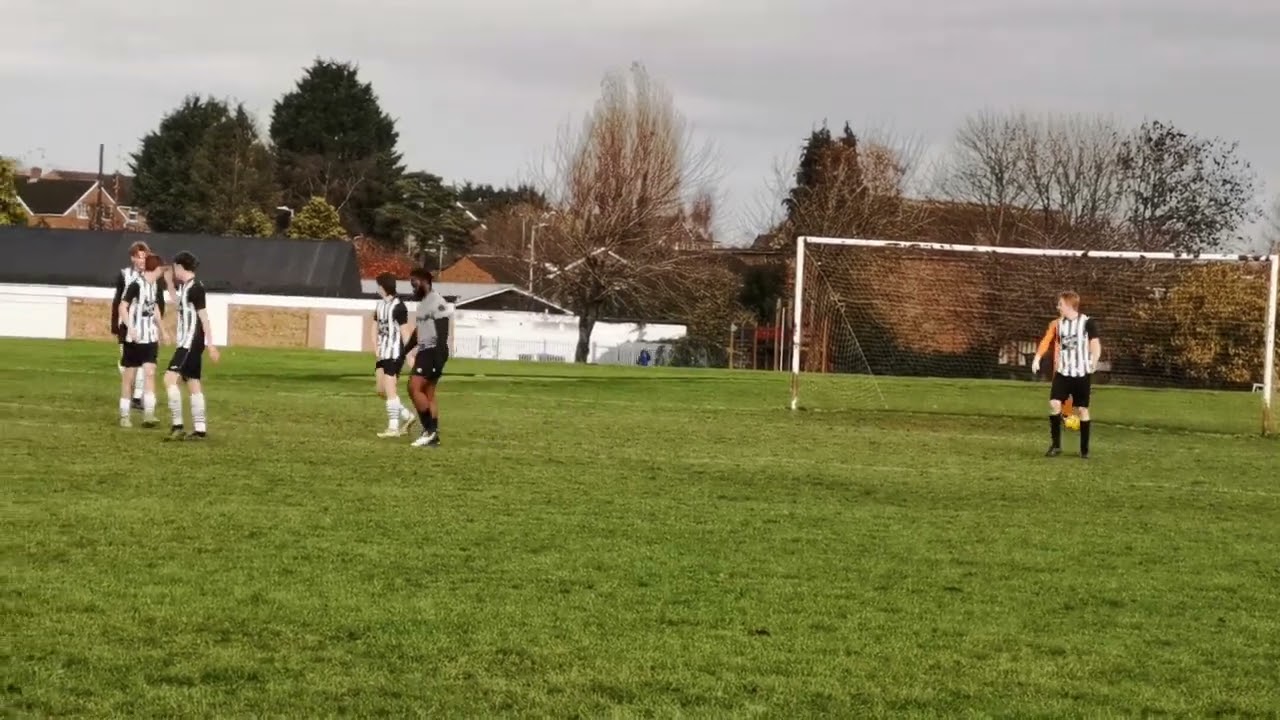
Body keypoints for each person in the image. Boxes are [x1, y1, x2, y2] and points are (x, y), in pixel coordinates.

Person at [1031, 291, 1101, 458]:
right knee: (1055, 404)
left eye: (1060, 304)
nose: (1058, 307)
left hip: (1081, 373)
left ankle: (1084, 450)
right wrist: (1037, 358)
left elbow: (1095, 344)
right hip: (1063, 373)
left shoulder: (1087, 323)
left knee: (1082, 410)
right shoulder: (1057, 324)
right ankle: (1056, 446)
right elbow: (1046, 341)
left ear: (1069, 305)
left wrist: (1094, 361)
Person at [163, 252, 220, 440]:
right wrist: (169, 284)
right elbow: (179, 304)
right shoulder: (187, 287)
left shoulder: (196, 288)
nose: (173, 271)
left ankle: (177, 426)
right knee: (193, 382)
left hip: (189, 343)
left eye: (174, 268)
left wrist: (211, 345)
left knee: (170, 379)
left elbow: (204, 317)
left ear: (180, 266)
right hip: (188, 342)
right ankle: (200, 430)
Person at [116, 254, 168, 427]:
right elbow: (122, 306)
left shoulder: (154, 286)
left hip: (150, 337)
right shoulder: (136, 285)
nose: (163, 272)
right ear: (156, 268)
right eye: (162, 268)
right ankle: (124, 415)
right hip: (134, 339)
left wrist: (162, 331)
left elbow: (154, 309)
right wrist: (130, 327)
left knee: (150, 373)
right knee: (128, 378)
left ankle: (149, 415)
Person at [406, 268, 453, 448]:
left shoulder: (437, 301)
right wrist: (405, 350)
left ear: (425, 281)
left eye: (414, 283)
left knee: (414, 387)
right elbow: (419, 332)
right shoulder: (423, 304)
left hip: (433, 350)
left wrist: (439, 358)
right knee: (428, 393)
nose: (413, 287)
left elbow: (443, 330)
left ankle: (429, 431)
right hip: (426, 350)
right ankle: (433, 436)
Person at [370, 272, 416, 438]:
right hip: (383, 353)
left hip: (395, 353)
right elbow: (374, 325)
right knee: (381, 390)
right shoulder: (380, 305)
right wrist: (375, 346)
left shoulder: (399, 306)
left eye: (378, 285)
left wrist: (410, 355)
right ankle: (407, 416)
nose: (377, 288)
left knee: (390, 390)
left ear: (383, 287)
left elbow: (405, 331)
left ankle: (393, 427)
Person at [111, 241, 150, 409]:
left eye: (144, 256)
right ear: (132, 258)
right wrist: (114, 323)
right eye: (138, 256)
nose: (142, 260)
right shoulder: (124, 275)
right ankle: (132, 387)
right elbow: (117, 300)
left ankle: (137, 397)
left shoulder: (151, 276)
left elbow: (158, 301)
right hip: (126, 325)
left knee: (144, 362)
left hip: (146, 325)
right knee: (127, 363)